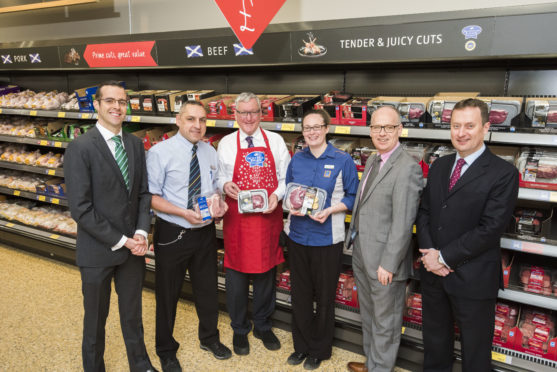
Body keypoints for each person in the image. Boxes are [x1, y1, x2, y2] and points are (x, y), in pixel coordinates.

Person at [417, 98, 519, 372]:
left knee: (475, 354)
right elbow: (424, 212)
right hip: (433, 275)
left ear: (486, 127)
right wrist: (429, 256)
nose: (461, 133)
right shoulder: (439, 166)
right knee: (435, 347)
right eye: (455, 125)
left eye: (469, 126)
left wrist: (444, 257)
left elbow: (490, 228)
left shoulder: (504, 173)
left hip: (472, 278)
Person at [64, 81, 157, 372]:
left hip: (133, 250)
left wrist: (141, 232)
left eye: (122, 101)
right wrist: (123, 239)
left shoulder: (134, 143)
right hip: (97, 251)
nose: (117, 106)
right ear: (97, 105)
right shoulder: (80, 147)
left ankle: (140, 365)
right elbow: (81, 208)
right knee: (95, 320)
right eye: (110, 101)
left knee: (133, 314)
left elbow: (142, 193)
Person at [146, 101, 231, 372]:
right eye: (191, 119)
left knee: (207, 290)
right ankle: (166, 350)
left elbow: (213, 185)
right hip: (173, 233)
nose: (197, 125)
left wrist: (220, 203)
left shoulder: (209, 151)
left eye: (202, 120)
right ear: (178, 120)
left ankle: (209, 338)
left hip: (204, 232)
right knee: (167, 294)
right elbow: (152, 198)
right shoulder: (160, 152)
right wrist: (183, 213)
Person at [346, 106, 423, 372]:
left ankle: (380, 368)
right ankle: (372, 363)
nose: (382, 132)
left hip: (384, 263)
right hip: (363, 253)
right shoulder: (373, 160)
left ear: (400, 129)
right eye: (377, 127)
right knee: (369, 316)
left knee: (385, 323)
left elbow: (403, 223)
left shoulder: (407, 168)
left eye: (388, 127)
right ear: (370, 131)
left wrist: (389, 263)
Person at [216, 92, 290, 355]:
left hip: (267, 219)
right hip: (237, 220)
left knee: (265, 275)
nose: (248, 118)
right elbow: (219, 177)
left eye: (253, 112)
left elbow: (285, 178)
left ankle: (262, 324)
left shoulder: (276, 141)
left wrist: (276, 195)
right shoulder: (225, 143)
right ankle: (239, 328)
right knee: (236, 277)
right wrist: (224, 184)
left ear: (261, 113)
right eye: (243, 112)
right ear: (234, 115)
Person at [283, 109, 358, 370]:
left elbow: (352, 197)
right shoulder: (297, 159)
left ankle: (319, 350)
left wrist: (329, 210)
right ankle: (301, 346)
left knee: (324, 297)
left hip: (327, 239)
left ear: (326, 128)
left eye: (317, 127)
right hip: (298, 236)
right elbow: (290, 191)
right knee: (300, 294)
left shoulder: (342, 159)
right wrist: (290, 206)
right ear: (302, 132)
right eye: (307, 128)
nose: (312, 132)